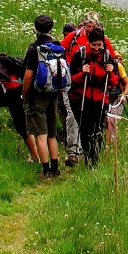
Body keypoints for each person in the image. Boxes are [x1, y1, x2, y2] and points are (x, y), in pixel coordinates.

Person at [68, 27, 119, 167]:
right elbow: (71, 79)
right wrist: (83, 73)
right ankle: (90, 159)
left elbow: (114, 82)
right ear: (89, 43)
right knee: (85, 128)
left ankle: (94, 157)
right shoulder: (80, 55)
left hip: (99, 99)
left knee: (97, 129)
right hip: (80, 98)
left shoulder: (108, 58)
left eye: (99, 45)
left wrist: (110, 73)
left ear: (103, 43)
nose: (96, 48)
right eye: (94, 45)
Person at [22, 15, 62, 178]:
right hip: (53, 93)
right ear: (51, 29)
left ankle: (45, 170)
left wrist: (24, 94)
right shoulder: (58, 46)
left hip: (37, 95)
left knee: (41, 134)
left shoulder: (34, 49)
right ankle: (56, 168)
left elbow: (28, 76)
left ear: (35, 29)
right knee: (52, 134)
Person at [58, 22, 82, 167]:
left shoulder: (90, 45)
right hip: (68, 84)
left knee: (80, 116)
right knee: (71, 115)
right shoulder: (65, 46)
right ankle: (73, 151)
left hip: (83, 85)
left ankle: (81, 148)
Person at [106, 50, 128, 146]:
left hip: (117, 97)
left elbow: (127, 83)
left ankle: (112, 145)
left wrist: (124, 94)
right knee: (106, 120)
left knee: (112, 119)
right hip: (105, 96)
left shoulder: (118, 66)